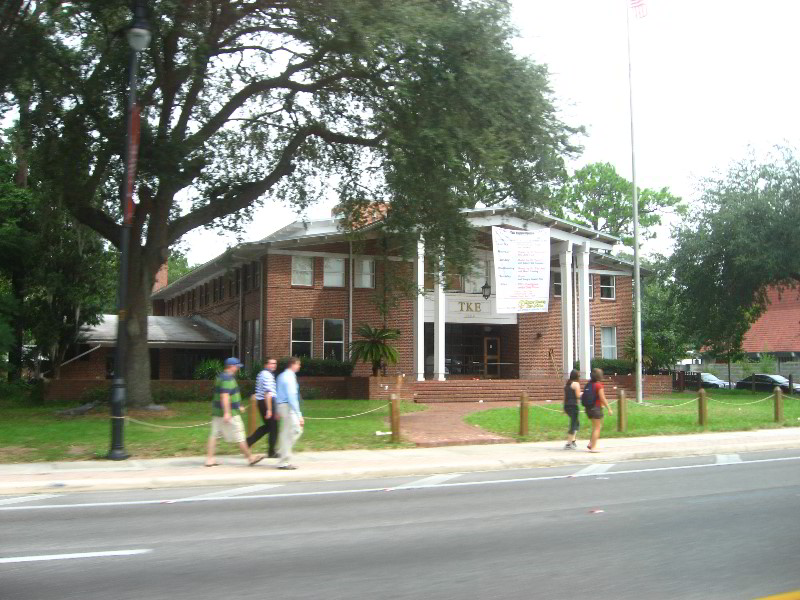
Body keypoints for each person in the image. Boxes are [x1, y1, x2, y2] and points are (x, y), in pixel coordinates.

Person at [205, 357, 265, 467]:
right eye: (237, 366)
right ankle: (250, 458)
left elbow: (227, 395)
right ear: (231, 366)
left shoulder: (221, 377)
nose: (238, 368)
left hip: (217, 412)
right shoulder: (227, 378)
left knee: (214, 435)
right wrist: (227, 412)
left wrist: (238, 405)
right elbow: (224, 396)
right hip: (229, 413)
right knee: (240, 435)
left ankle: (209, 459)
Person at [275, 357, 304, 470]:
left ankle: (283, 453)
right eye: (298, 364)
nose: (299, 366)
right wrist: (299, 415)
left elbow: (278, 393)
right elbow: (292, 397)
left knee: (285, 432)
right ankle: (284, 458)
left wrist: (277, 409)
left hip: (282, 406)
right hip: (288, 406)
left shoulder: (281, 376)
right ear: (292, 365)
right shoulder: (289, 377)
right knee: (296, 430)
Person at [246, 357, 279, 458]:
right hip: (267, 403)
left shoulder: (261, 374)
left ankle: (248, 442)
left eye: (275, 363)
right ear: (266, 364)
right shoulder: (267, 375)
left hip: (262, 402)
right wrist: (269, 409)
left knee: (268, 427)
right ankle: (271, 452)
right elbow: (267, 393)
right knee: (274, 428)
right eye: (271, 363)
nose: (273, 365)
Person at [584, 367, 612, 453]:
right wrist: (609, 408)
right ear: (600, 376)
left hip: (588, 408)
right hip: (596, 408)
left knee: (595, 426)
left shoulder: (588, 384)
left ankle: (590, 443)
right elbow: (602, 398)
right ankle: (593, 447)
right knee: (597, 428)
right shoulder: (598, 385)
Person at [563, 369, 581, 450]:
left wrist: (563, 409)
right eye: (579, 375)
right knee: (574, 425)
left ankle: (573, 441)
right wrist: (584, 393)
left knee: (576, 423)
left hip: (567, 406)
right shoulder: (576, 384)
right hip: (573, 406)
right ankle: (569, 444)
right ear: (576, 376)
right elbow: (578, 396)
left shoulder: (567, 384)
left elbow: (565, 397)